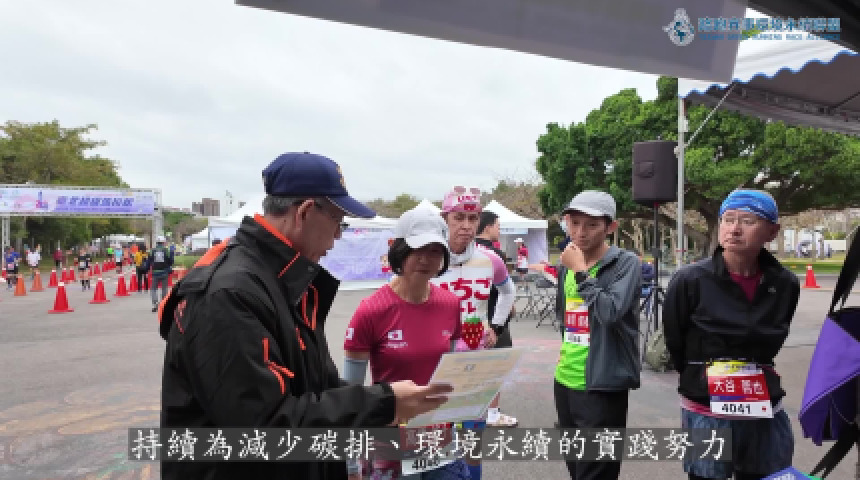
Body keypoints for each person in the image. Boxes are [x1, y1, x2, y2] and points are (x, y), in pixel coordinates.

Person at [158, 152, 453, 480]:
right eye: (338, 222)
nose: (338, 236)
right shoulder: (230, 293)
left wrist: (386, 405)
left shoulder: (283, 280)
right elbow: (266, 427)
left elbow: (313, 387)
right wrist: (384, 403)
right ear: (305, 212)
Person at [663, 189, 799, 480]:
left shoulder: (785, 283)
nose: (734, 229)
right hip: (706, 406)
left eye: (748, 221)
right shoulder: (690, 280)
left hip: (762, 403)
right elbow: (675, 340)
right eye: (728, 219)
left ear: (772, 232)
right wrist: (699, 374)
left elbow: (778, 332)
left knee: (769, 474)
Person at [344, 206, 469, 480]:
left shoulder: (450, 304)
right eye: (417, 250)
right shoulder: (371, 310)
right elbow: (349, 396)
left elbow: (449, 373)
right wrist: (351, 465)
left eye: (435, 251)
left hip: (439, 440)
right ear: (400, 251)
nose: (426, 259)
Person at [553, 190, 641, 480]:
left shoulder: (624, 263)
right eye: (574, 222)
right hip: (566, 379)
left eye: (592, 225)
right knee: (576, 467)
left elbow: (610, 312)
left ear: (610, 227)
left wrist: (581, 273)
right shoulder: (566, 265)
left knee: (596, 472)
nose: (580, 232)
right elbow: (565, 317)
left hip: (603, 384)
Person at [434, 186, 518, 479]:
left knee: (472, 440)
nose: (466, 226)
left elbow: (508, 292)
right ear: (445, 218)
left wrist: (496, 326)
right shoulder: (428, 257)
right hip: (434, 360)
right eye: (458, 217)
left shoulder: (489, 259)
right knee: (436, 437)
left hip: (475, 359)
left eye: (472, 218)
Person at [475, 210, 514, 348]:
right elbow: (505, 290)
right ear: (487, 227)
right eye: (498, 226)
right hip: (494, 318)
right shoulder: (495, 255)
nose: (499, 231)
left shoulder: (467, 252)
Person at [148, 236, 173, 312]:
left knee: (153, 289)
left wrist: (147, 269)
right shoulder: (166, 250)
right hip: (164, 272)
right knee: (164, 288)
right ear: (163, 242)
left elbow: (149, 261)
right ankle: (163, 304)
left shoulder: (152, 250)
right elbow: (171, 261)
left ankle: (155, 303)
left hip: (155, 272)